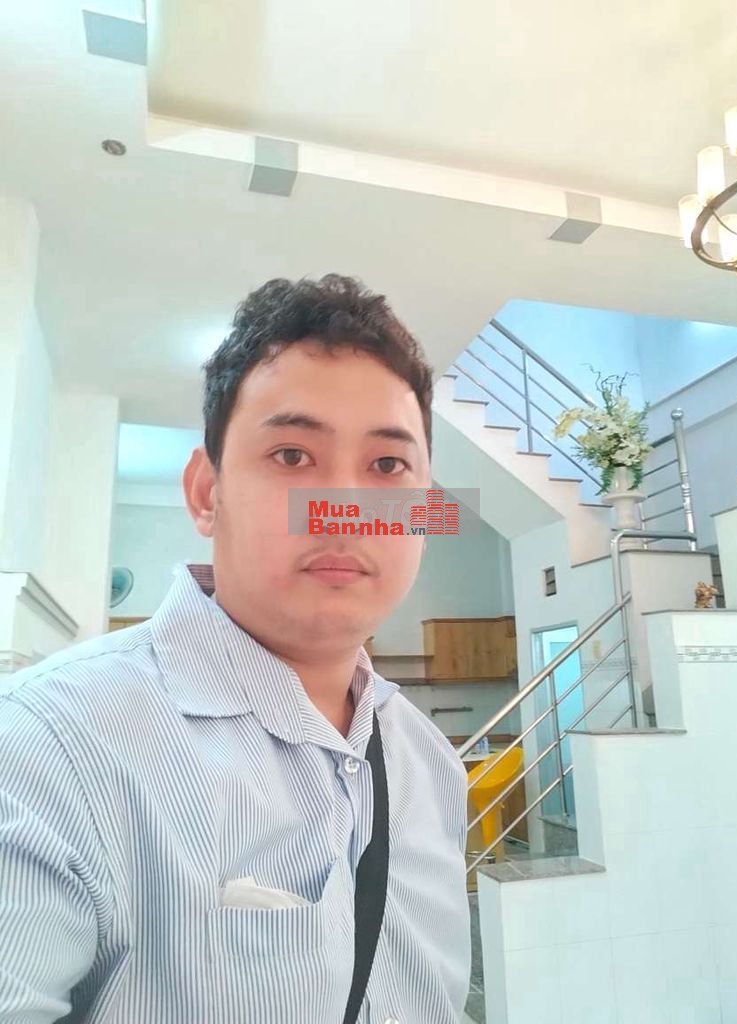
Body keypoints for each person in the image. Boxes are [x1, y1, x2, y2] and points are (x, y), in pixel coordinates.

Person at [0, 275, 472, 1023]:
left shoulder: (431, 764)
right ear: (205, 493)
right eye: (292, 455)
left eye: (387, 467)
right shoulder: (46, 749)